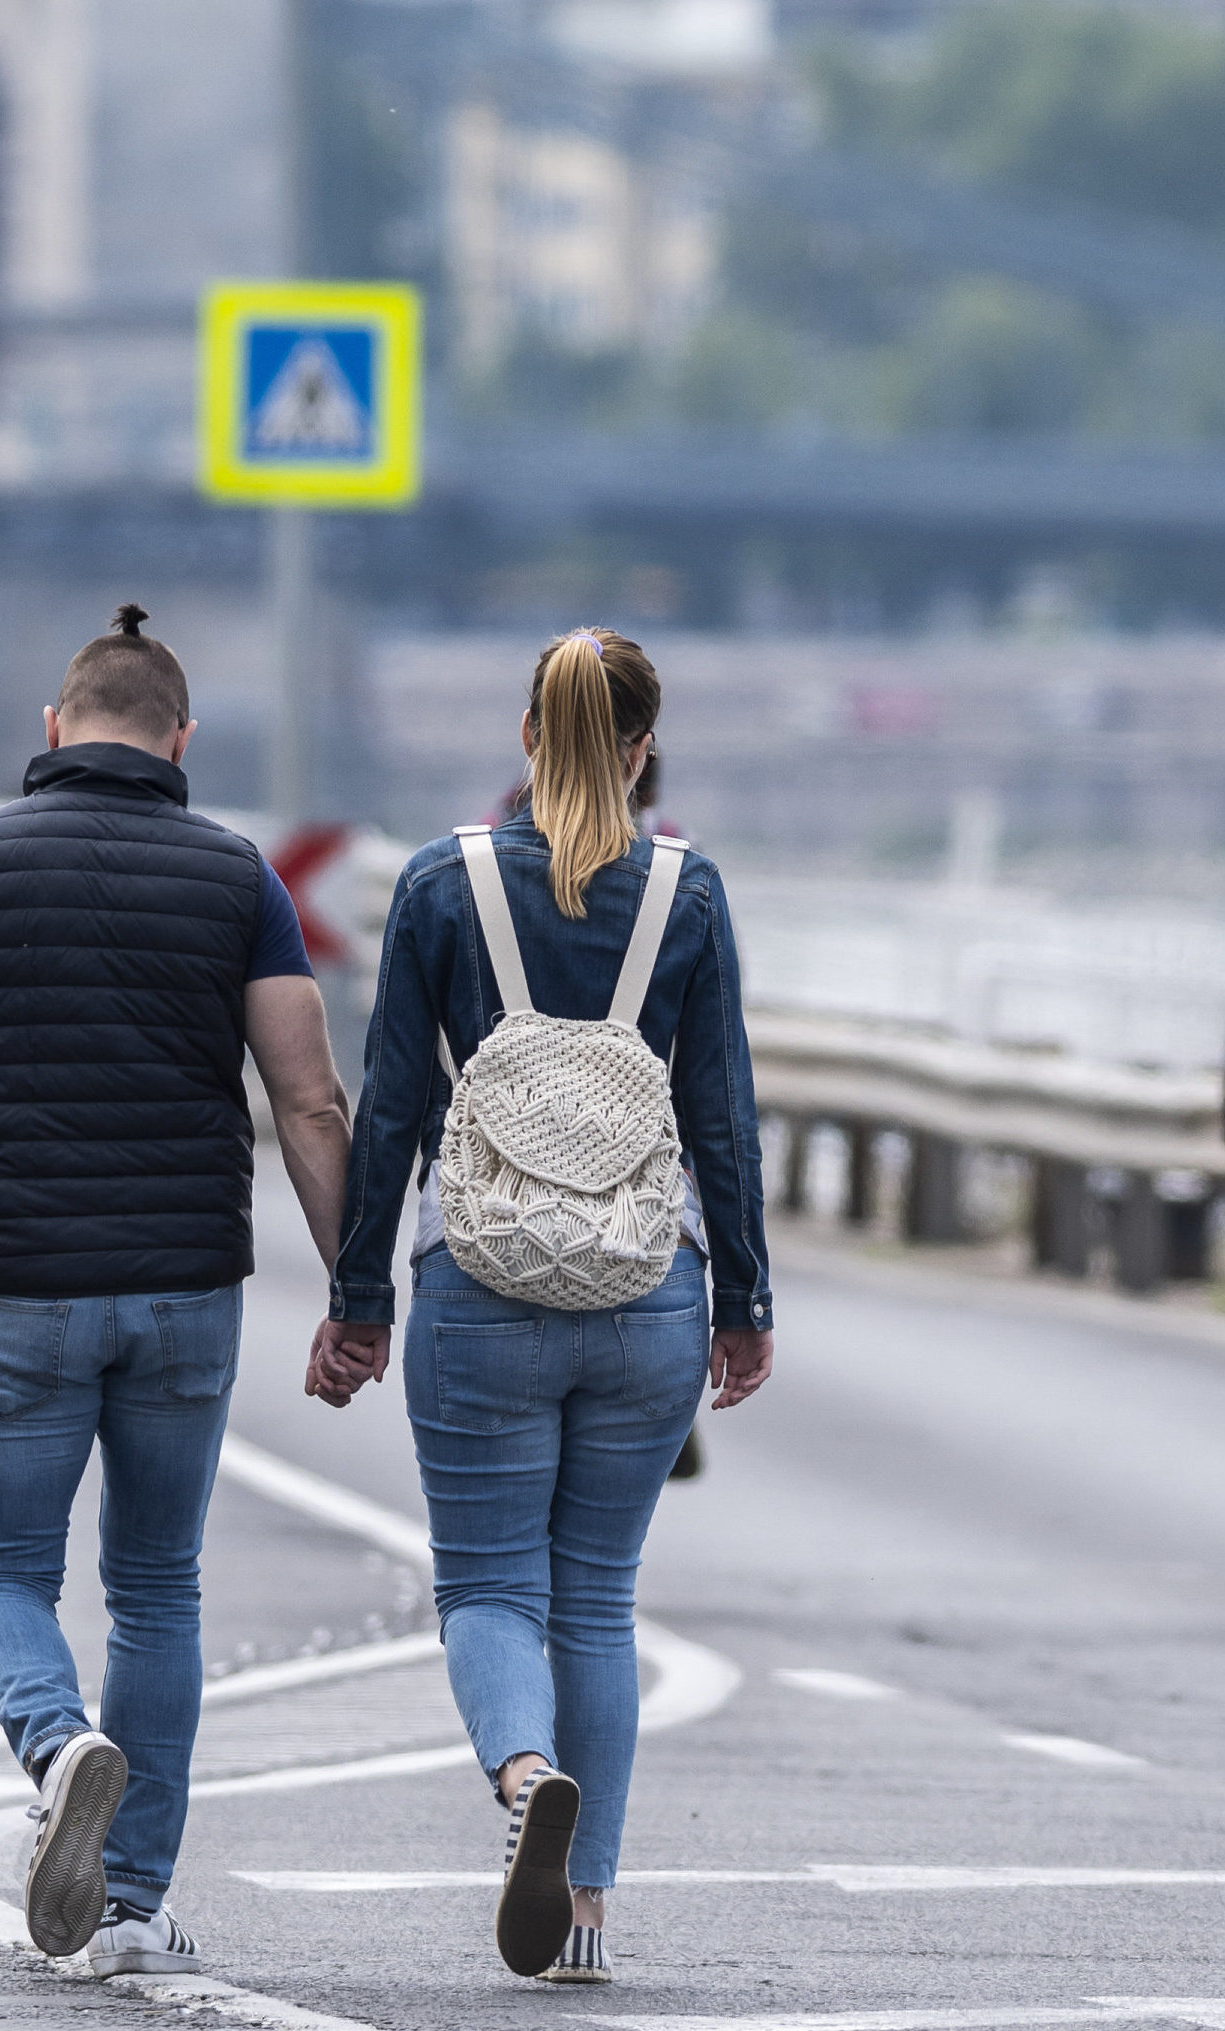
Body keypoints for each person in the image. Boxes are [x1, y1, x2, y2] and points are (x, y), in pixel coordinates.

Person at [0, 604, 352, 1978]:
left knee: (1, 1569)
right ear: (181, 740)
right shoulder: (242, 879)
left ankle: (60, 1745)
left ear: (52, 732)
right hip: (187, 1291)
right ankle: (129, 1907)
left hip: (21, 1284)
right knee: (159, 1588)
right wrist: (358, 1289)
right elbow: (308, 1097)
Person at [312, 627, 773, 1988]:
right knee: (599, 1601)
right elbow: (725, 1114)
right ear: (642, 748)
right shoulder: (689, 894)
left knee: (490, 1585)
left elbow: (389, 1101)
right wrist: (740, 1296)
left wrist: (355, 1299)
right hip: (646, 1289)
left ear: (526, 736)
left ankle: (524, 1773)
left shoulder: (441, 886)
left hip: (480, 1279)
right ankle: (583, 1912)